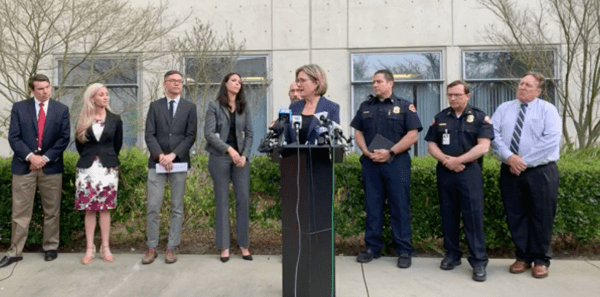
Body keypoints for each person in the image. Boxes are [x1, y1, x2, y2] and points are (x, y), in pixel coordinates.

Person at [491, 72, 561, 279]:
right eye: (521, 83)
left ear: (538, 91)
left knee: (542, 215)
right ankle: (522, 256)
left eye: (528, 85)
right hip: (510, 169)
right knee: (515, 214)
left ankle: (540, 260)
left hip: (540, 171)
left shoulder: (548, 110)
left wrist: (522, 162)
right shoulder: (504, 109)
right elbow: (492, 134)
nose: (522, 87)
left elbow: (550, 140)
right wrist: (509, 157)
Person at [350, 69, 422, 269]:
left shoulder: (405, 106)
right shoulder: (366, 106)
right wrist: (365, 151)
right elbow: (358, 132)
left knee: (400, 206)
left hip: (396, 162)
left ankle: (404, 250)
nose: (375, 85)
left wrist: (390, 152)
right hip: (371, 163)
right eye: (373, 82)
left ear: (390, 83)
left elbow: (412, 135)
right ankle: (373, 247)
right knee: (373, 205)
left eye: (379, 81)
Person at [424, 80, 493, 282]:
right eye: (450, 95)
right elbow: (431, 145)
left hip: (469, 172)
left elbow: (483, 147)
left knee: (473, 217)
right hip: (446, 172)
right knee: (448, 215)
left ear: (467, 95)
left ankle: (479, 261)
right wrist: (447, 160)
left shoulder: (480, 117)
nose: (453, 98)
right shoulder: (440, 117)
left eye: (457, 95)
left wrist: (458, 161)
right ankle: (452, 255)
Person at [1, 74, 70, 268]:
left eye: (47, 87)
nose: (45, 91)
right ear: (32, 90)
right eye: (40, 88)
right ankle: (15, 251)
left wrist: (44, 159)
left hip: (51, 166)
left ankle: (50, 247)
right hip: (24, 167)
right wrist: (31, 157)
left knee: (52, 211)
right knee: (20, 212)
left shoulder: (61, 109)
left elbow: (64, 139)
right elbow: (14, 138)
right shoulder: (19, 108)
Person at [143, 70, 197, 264]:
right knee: (153, 207)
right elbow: (149, 134)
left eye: (179, 81)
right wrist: (160, 156)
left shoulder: (189, 107)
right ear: (165, 84)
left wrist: (173, 155)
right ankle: (151, 247)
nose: (176, 84)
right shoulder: (155, 106)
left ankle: (171, 247)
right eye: (172, 81)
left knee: (177, 208)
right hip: (156, 164)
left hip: (179, 163)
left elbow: (190, 136)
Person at [205, 73, 254, 262]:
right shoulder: (214, 106)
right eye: (234, 80)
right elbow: (209, 134)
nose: (237, 84)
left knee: (242, 199)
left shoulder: (244, 107)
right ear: (225, 83)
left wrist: (244, 155)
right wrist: (229, 150)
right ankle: (224, 246)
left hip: (240, 160)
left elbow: (249, 133)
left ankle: (243, 245)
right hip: (220, 158)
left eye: (240, 81)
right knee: (222, 201)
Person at [74, 83, 123, 264]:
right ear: (92, 97)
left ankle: (105, 247)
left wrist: (106, 159)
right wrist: (91, 158)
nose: (105, 97)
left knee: (104, 209)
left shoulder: (115, 119)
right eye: (101, 95)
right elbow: (80, 145)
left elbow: (117, 144)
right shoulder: (82, 119)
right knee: (89, 209)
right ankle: (89, 248)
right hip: (87, 169)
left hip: (108, 169)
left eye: (106, 94)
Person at [287, 64, 340, 144]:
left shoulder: (331, 108)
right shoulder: (294, 106)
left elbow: (333, 141)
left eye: (302, 80)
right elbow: (287, 138)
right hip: (294, 156)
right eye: (298, 81)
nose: (298, 84)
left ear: (316, 83)